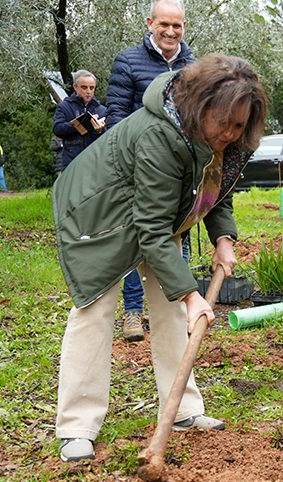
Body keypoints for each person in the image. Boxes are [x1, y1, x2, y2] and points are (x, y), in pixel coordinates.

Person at [52, 54, 267, 462]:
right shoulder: (158, 134)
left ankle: (183, 408)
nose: (229, 133)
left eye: (239, 126)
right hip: (98, 212)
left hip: (153, 210)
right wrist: (192, 295)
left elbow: (213, 186)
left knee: (171, 305)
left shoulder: (220, 135)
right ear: (200, 107)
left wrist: (223, 237)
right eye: (223, 123)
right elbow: (150, 230)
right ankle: (78, 425)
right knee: (94, 308)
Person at [107, 0, 196, 342]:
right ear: (150, 23)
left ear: (184, 27)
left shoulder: (193, 66)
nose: (171, 32)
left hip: (178, 175)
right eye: (164, 25)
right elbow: (115, 118)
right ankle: (132, 311)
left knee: (176, 241)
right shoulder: (128, 62)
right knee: (136, 242)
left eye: (177, 26)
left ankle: (175, 313)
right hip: (137, 171)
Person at [53, 70, 107, 171]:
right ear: (75, 87)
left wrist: (100, 131)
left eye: (91, 88)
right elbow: (57, 129)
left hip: (95, 164)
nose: (88, 91)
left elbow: (108, 139)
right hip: (71, 163)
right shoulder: (64, 107)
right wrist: (80, 124)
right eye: (84, 87)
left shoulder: (102, 110)